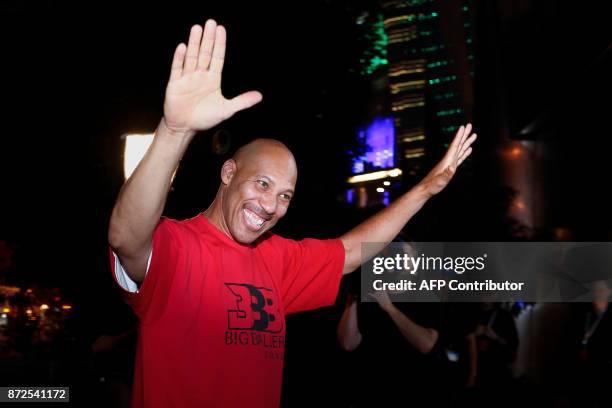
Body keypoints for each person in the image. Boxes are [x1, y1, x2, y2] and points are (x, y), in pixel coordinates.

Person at [107, 19, 477, 408]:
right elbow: (125, 235)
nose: (270, 206)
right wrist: (175, 130)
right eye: (262, 184)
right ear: (229, 173)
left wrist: (426, 190)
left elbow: (351, 253)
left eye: (285, 195)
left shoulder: (278, 259)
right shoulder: (176, 245)